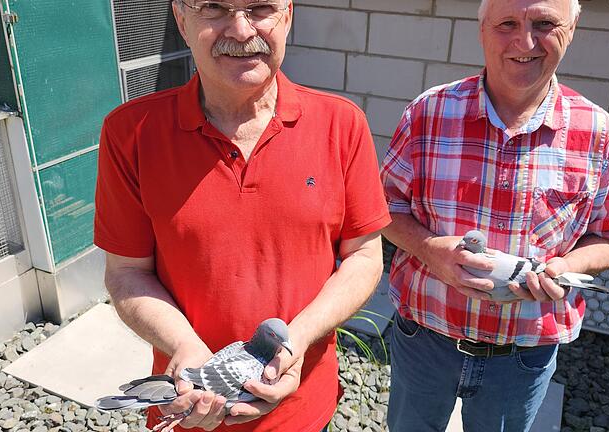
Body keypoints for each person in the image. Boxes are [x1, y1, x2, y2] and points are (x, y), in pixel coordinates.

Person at [93, 0, 391, 430]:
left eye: (260, 7)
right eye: (213, 8)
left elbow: (365, 256)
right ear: (180, 18)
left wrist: (297, 339)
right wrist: (185, 348)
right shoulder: (131, 134)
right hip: (189, 408)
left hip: (304, 409)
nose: (239, 29)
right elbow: (125, 272)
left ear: (287, 14)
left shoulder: (341, 125)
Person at [380, 0, 609, 430]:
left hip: (522, 354)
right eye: (507, 24)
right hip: (425, 336)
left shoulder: (599, 133)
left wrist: (568, 266)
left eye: (544, 23)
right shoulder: (430, 113)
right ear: (482, 31)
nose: (525, 41)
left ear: (571, 28)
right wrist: (429, 248)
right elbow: (383, 207)